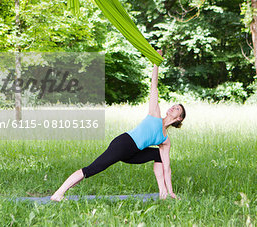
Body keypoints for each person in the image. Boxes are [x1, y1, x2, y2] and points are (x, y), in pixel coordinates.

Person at [50, 50, 186, 201]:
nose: (173, 107)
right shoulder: (155, 113)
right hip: (123, 144)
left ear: (179, 118)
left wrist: (172, 190)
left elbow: (167, 168)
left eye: (177, 108)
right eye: (173, 105)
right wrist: (156, 63)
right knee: (94, 169)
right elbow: (154, 87)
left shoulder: (165, 140)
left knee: (157, 155)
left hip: (133, 153)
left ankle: (164, 194)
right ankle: (58, 193)